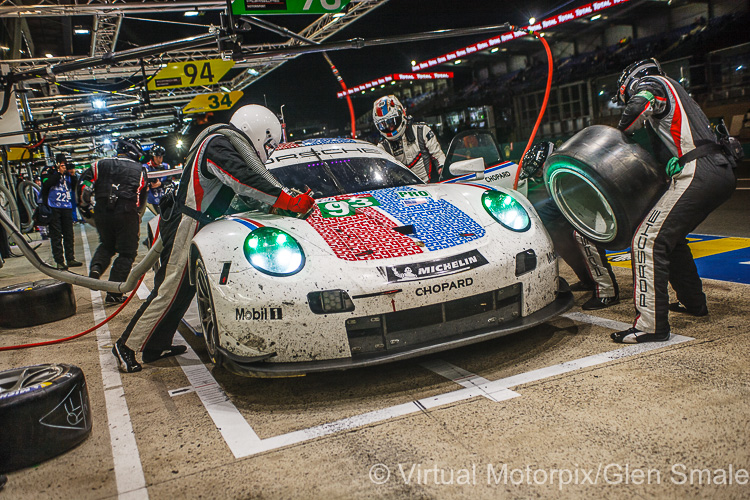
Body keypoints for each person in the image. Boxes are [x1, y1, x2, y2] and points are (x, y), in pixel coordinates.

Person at [111, 104, 315, 373]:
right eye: (268, 144)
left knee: (184, 288)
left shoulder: (219, 142)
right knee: (169, 290)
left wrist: (272, 204)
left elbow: (236, 188)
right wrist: (286, 199)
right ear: (257, 132)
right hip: (187, 222)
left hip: (194, 222)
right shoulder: (219, 144)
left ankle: (154, 345)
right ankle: (126, 345)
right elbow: (242, 178)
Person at [610, 58, 737, 343]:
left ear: (632, 80)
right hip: (718, 169)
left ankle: (651, 326)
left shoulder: (652, 84)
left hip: (699, 172)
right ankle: (694, 303)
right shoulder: (678, 90)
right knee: (671, 237)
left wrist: (619, 133)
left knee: (647, 240)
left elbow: (634, 112)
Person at [521, 142, 619, 310]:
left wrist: (531, 219)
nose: (538, 176)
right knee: (559, 236)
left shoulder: (566, 166)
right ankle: (588, 280)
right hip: (584, 208)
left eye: (538, 172)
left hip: (603, 209)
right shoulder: (559, 165)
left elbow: (556, 204)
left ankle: (608, 293)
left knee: (583, 236)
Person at [80, 138, 148, 304]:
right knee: (127, 252)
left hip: (102, 211)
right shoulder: (140, 169)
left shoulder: (99, 164)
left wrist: (85, 208)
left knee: (107, 244)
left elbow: (83, 185)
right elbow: (141, 198)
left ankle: (96, 268)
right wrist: (137, 215)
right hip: (127, 211)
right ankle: (113, 293)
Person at [373, 95, 445, 182]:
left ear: (401, 113)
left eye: (392, 122)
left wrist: (442, 169)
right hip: (402, 192)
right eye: (384, 125)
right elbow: (379, 174)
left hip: (428, 186)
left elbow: (439, 156)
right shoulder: (382, 147)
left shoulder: (422, 131)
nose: (390, 128)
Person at [40, 153, 82, 270]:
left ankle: (70, 258)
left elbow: (74, 187)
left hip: (66, 206)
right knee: (56, 235)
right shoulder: (48, 171)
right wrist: (58, 173)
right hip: (53, 206)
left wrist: (72, 175)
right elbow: (47, 183)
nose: (65, 166)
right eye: (62, 164)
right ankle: (59, 261)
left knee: (69, 234)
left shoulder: (68, 173)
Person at [144, 145, 171, 213]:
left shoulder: (166, 166)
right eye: (157, 157)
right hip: (151, 200)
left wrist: (161, 184)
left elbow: (169, 181)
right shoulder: (145, 168)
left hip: (163, 198)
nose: (160, 159)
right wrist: (150, 185)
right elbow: (142, 184)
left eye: (161, 157)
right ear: (152, 157)